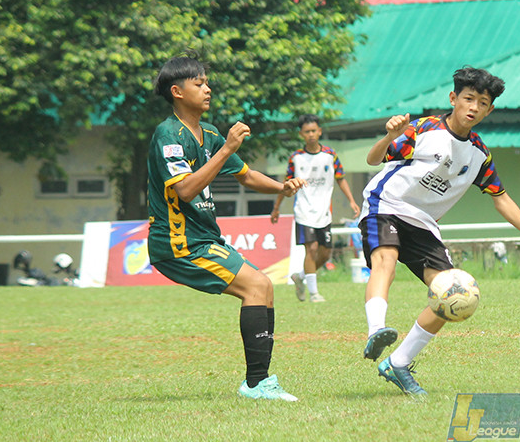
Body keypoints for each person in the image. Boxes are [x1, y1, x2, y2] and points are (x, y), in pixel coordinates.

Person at [358, 66, 520, 398]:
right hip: (387, 204)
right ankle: (377, 330)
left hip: (424, 224)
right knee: (385, 261)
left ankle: (399, 362)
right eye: (468, 98)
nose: (473, 107)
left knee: (454, 294)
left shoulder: (479, 155)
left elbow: (501, 199)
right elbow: (373, 159)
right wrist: (390, 136)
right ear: (454, 98)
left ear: (489, 110)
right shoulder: (423, 129)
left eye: (482, 102)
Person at [147, 50, 305, 401]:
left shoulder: (209, 133)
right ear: (177, 92)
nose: (207, 90)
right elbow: (186, 190)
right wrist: (226, 148)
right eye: (199, 83)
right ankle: (256, 384)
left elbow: (246, 175)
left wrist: (282, 186)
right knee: (256, 287)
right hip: (178, 243)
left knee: (263, 288)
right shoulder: (168, 136)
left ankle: (259, 382)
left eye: (207, 83)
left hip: (202, 238)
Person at [271, 114, 360, 303]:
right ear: (301, 134)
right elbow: (285, 185)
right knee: (310, 249)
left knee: (325, 253)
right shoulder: (296, 158)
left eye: (313, 131)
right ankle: (314, 293)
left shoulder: (330, 155)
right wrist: (276, 208)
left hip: (324, 213)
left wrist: (351, 200)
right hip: (303, 212)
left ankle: (300, 276)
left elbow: (340, 178)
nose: (311, 134)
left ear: (319, 131)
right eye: (306, 132)